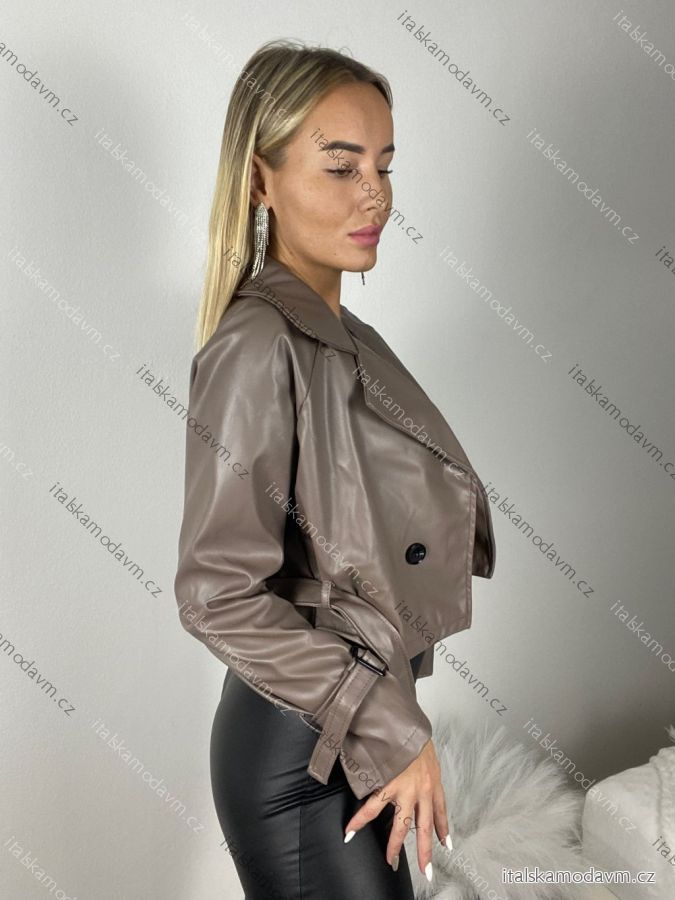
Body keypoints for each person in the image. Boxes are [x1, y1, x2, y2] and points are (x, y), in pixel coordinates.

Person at [174, 38, 496, 900]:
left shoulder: (345, 338)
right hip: (301, 760)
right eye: (341, 167)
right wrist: (392, 723)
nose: (375, 195)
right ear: (259, 179)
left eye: (384, 166)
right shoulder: (257, 344)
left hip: (347, 728)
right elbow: (215, 594)